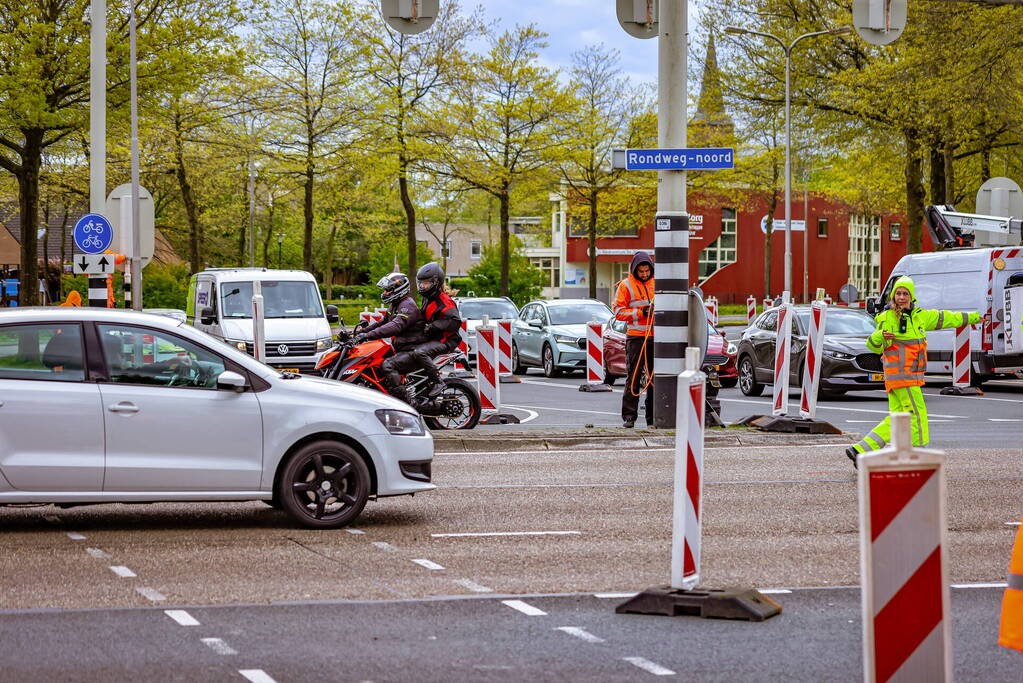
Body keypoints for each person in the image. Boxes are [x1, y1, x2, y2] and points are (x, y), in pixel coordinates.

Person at [846, 275, 987, 466]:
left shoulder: (921, 316)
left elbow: (947, 318)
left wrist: (974, 317)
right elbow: (874, 346)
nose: (901, 297)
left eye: (905, 293)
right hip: (902, 376)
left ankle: (861, 450)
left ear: (912, 296)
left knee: (898, 419)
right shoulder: (887, 317)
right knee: (917, 415)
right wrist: (880, 336)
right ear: (893, 296)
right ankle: (920, 453)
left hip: (906, 377)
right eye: (898, 293)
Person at [352, 272, 425, 405]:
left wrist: (368, 336)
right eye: (385, 290)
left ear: (398, 289)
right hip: (402, 348)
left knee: (388, 365)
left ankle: (406, 402)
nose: (385, 293)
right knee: (375, 363)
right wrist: (359, 334)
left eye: (388, 290)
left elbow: (395, 326)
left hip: (412, 350)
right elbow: (382, 322)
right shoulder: (395, 305)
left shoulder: (407, 306)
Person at [410, 262, 462, 409]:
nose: (422, 286)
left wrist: (432, 326)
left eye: (426, 283)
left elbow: (454, 321)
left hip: (446, 340)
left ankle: (438, 381)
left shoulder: (444, 301)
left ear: (436, 282)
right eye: (421, 283)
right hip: (434, 337)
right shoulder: (428, 298)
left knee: (420, 352)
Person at [613, 251, 655, 428]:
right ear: (634, 270)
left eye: (647, 271)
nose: (644, 274)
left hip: (655, 338)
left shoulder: (658, 283)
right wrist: (641, 312)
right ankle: (629, 417)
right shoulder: (625, 285)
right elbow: (618, 312)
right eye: (641, 271)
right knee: (634, 378)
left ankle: (653, 418)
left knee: (655, 379)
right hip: (636, 338)